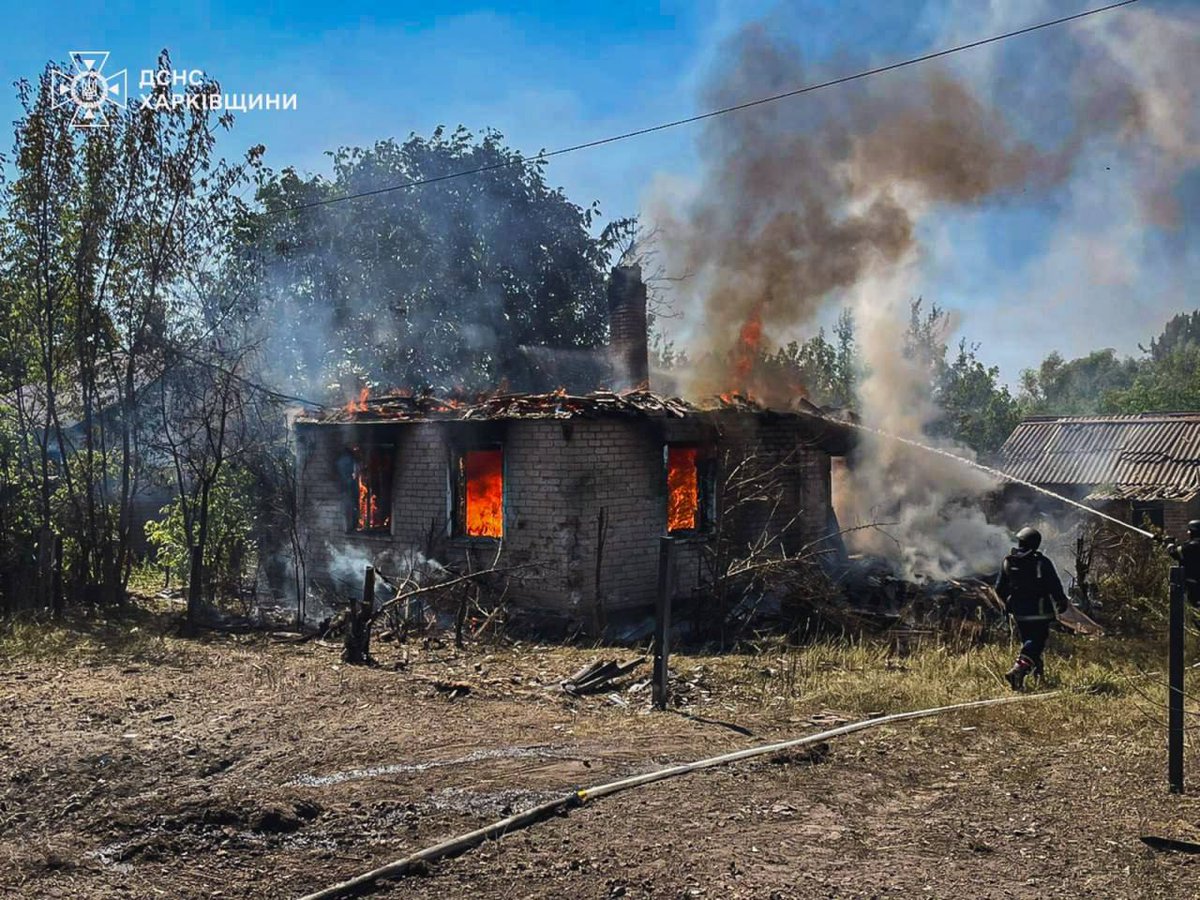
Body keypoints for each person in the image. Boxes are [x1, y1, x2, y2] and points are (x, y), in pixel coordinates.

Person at [995, 527, 1069, 691]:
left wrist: (1008, 605)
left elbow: (999, 588)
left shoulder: (1008, 561)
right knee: (1036, 642)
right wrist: (1061, 601)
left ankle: (1038, 677)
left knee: (1029, 642)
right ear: (1036, 544)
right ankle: (1018, 670)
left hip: (1019, 612)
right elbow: (1054, 585)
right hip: (1040, 611)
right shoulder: (1041, 562)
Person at [1168, 520, 1200, 609]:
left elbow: (1174, 553)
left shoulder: (1191, 546)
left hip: (1193, 585)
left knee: (1193, 610)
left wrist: (1170, 545)